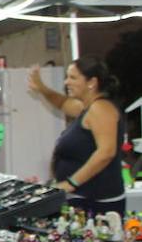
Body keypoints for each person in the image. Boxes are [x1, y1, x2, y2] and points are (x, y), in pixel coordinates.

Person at [33, 57, 126, 215]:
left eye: (73, 77)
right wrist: (42, 89)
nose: (66, 82)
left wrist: (71, 183)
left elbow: (106, 152)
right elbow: (63, 103)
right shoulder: (87, 108)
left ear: (92, 83)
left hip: (97, 202)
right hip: (81, 198)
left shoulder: (101, 109)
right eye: (66, 77)